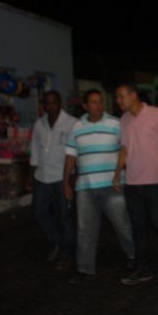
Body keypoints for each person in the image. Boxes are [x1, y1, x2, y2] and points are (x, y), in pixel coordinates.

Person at [63, 89, 136, 282]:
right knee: (85, 229)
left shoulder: (115, 123)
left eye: (100, 102)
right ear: (85, 106)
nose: (99, 106)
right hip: (85, 187)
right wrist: (66, 183)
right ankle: (85, 268)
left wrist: (123, 174)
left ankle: (133, 256)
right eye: (94, 102)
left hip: (113, 185)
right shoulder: (76, 126)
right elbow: (70, 156)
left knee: (122, 225)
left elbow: (126, 150)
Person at [114, 83, 158, 285]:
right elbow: (124, 149)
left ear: (133, 95)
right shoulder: (124, 119)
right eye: (117, 97)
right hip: (133, 182)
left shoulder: (155, 114)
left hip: (153, 180)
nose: (118, 101)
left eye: (121, 96)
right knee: (138, 227)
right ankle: (143, 268)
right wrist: (117, 174)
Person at [30, 90, 77, 270]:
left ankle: (65, 254)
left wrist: (73, 179)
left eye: (54, 102)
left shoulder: (72, 123)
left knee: (66, 217)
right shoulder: (39, 124)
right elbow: (35, 150)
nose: (51, 107)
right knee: (39, 212)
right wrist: (31, 174)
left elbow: (76, 152)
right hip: (42, 177)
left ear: (60, 103)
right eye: (47, 103)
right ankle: (57, 241)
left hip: (62, 177)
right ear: (43, 105)